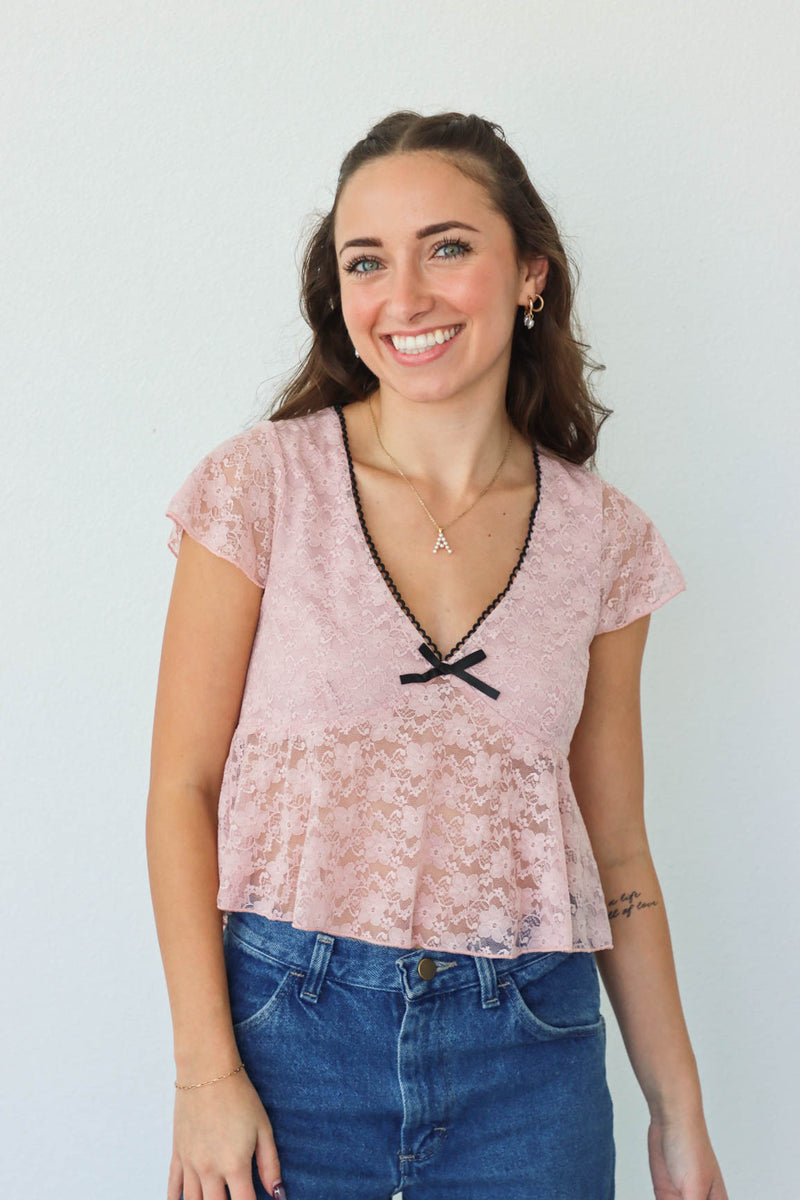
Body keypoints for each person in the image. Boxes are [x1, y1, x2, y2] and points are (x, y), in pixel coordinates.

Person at [146, 110, 729, 1200]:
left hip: (529, 1048)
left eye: (447, 247)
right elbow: (182, 788)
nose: (402, 297)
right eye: (366, 261)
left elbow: (615, 855)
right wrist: (202, 1073)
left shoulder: (606, 541)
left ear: (528, 275)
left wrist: (675, 1114)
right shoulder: (261, 486)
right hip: (285, 1038)